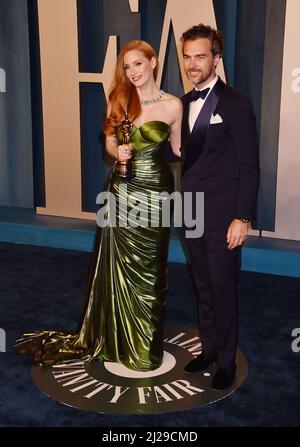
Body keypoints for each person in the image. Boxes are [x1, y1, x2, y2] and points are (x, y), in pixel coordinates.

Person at [16, 40, 182, 371]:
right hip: (122, 191)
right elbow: (109, 137)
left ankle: (143, 348)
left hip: (157, 193)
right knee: (117, 269)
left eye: (138, 64)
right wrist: (115, 151)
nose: (133, 72)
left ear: (153, 62)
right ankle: (117, 341)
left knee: (152, 271)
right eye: (127, 67)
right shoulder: (119, 98)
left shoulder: (174, 106)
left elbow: (179, 151)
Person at [180, 24, 259, 390]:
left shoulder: (235, 102)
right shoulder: (181, 103)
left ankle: (226, 361)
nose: (193, 64)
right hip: (191, 210)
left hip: (225, 214)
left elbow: (249, 165)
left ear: (216, 58)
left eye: (200, 56)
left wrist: (242, 217)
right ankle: (209, 348)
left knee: (223, 286)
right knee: (202, 285)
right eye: (187, 56)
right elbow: (179, 152)